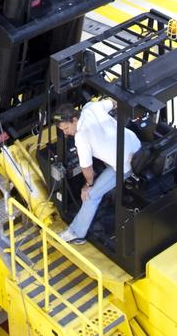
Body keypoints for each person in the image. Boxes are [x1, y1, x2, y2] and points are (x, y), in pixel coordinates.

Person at [56, 99, 142, 243]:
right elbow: (114, 102)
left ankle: (76, 233)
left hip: (124, 165)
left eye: (66, 129)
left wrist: (88, 186)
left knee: (91, 195)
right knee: (103, 165)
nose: (66, 134)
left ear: (75, 119)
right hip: (136, 146)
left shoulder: (81, 137)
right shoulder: (91, 107)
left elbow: (87, 168)